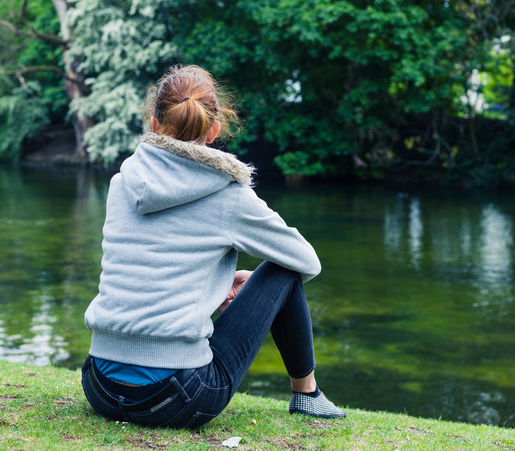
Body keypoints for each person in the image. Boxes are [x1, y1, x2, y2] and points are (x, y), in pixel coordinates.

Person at [81, 64, 345, 428]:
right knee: (283, 269)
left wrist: (213, 285)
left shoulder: (120, 183)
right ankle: (308, 394)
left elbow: (148, 264)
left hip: (99, 386)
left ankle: (309, 396)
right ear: (216, 130)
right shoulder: (228, 194)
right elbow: (306, 261)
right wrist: (248, 284)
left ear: (154, 124)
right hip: (174, 399)